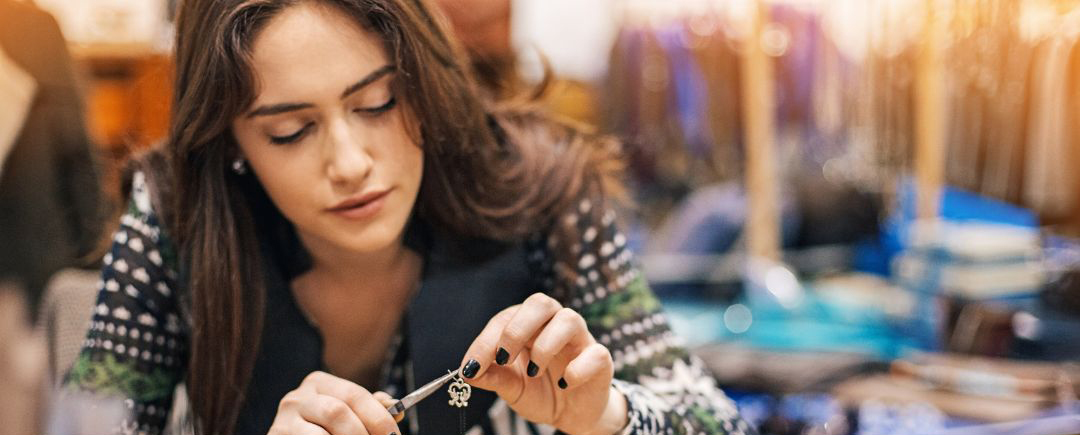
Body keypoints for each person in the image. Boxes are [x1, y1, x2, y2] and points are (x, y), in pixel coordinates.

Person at [63, 1, 754, 435]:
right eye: (290, 131)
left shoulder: (545, 190)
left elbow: (715, 422)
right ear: (231, 145)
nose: (350, 160)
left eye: (379, 103)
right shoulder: (174, 216)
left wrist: (606, 417)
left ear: (423, 83)